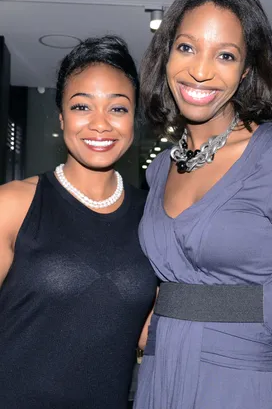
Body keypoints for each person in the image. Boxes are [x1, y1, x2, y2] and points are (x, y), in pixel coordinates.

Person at [134, 0, 272, 409]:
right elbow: (171, 278)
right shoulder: (160, 169)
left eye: (225, 55)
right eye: (186, 48)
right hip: (160, 375)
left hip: (242, 385)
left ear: (247, 70)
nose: (201, 70)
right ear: (165, 56)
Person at [0, 35, 157, 408]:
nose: (100, 124)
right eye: (82, 106)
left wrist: (254, 305)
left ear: (133, 118)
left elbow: (156, 332)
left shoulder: (152, 218)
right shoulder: (14, 203)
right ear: (62, 117)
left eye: (117, 109)